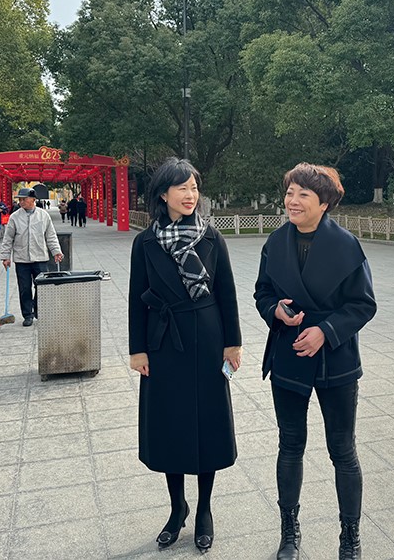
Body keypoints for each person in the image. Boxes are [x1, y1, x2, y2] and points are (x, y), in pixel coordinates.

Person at [253, 163, 377, 560]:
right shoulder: (275, 242)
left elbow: (363, 304)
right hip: (289, 354)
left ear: (324, 203)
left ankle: (350, 536)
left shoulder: (346, 246)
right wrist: (275, 311)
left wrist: (326, 330)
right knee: (290, 444)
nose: (292, 201)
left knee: (342, 449)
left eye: (302, 194)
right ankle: (289, 532)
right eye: (289, 192)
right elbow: (262, 292)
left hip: (335, 360)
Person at [128, 157, 242, 554]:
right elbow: (136, 299)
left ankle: (205, 509)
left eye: (194, 187)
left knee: (207, 424)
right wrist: (137, 349)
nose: (190, 195)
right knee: (170, 425)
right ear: (163, 194)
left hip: (208, 338)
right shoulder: (145, 242)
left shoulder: (212, 236)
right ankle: (178, 508)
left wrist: (233, 343)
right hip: (164, 342)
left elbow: (227, 293)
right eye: (182, 188)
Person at [0, 187, 63, 327]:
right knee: (24, 288)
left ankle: (39, 311)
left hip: (40, 257)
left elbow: (51, 236)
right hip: (21, 259)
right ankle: (27, 314)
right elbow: (8, 238)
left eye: (24, 199)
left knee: (42, 286)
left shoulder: (43, 215)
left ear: (33, 200)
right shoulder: (14, 217)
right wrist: (5, 256)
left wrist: (56, 251)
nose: (21, 202)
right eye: (20, 199)